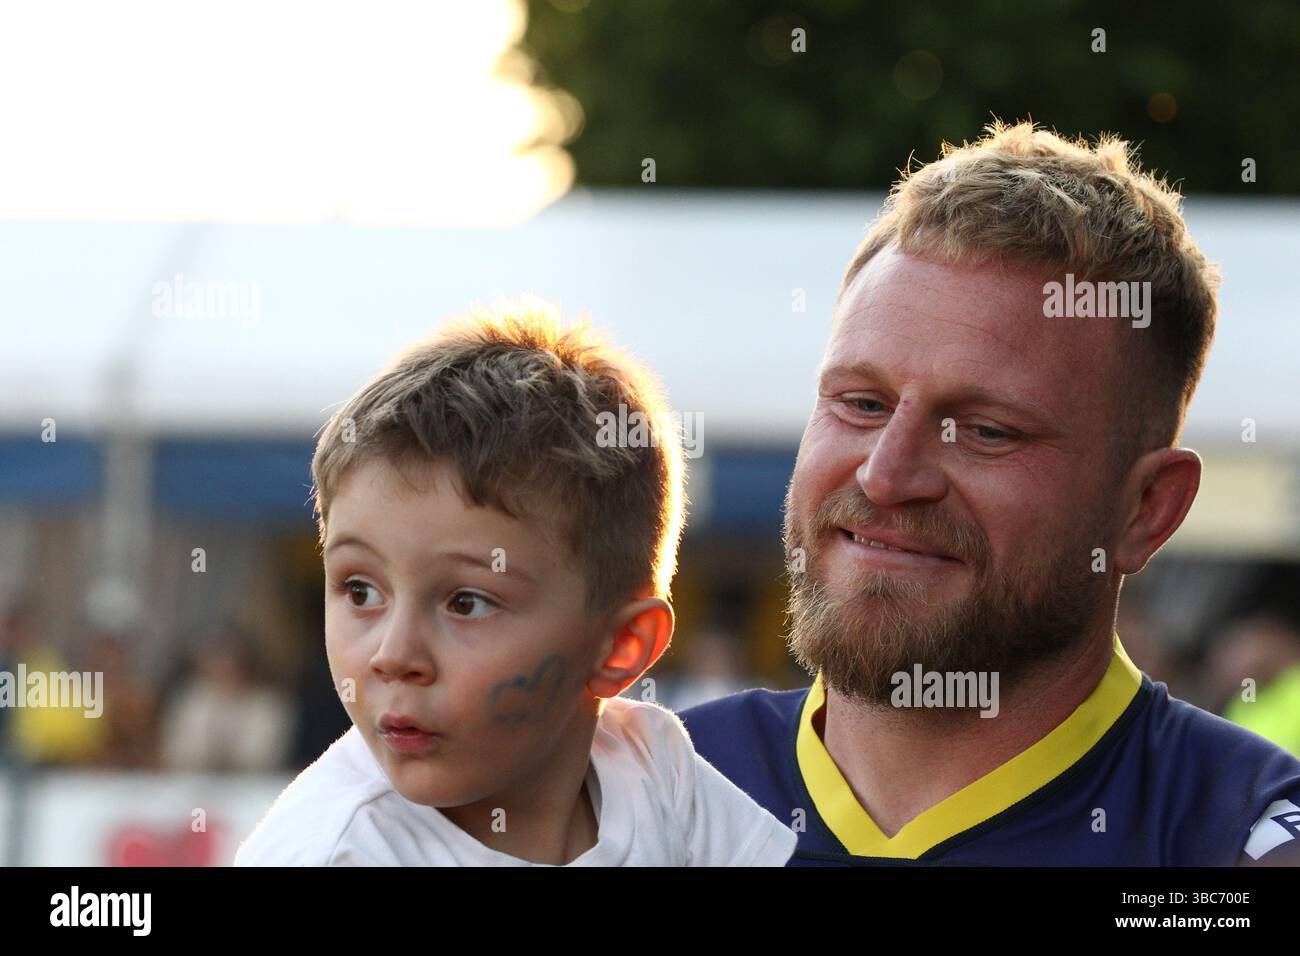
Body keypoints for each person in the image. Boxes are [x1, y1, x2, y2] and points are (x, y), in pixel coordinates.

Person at [680, 120, 1300, 866]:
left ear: (1147, 510)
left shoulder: (1237, 843)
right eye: (862, 404)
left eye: (986, 430)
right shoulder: (627, 796)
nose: (886, 473)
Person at [236, 300, 796, 866]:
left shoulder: (657, 776)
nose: (394, 654)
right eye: (361, 591)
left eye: (466, 602)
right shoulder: (333, 852)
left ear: (620, 647)